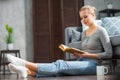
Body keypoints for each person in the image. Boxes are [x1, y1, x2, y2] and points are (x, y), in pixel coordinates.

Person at [7, 5, 112, 78]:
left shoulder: (101, 31)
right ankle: (27, 72)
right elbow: (85, 52)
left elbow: (109, 54)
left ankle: (24, 63)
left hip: (94, 66)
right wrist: (78, 54)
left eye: (86, 17)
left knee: (61, 65)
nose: (83, 20)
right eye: (81, 18)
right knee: (60, 72)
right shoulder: (84, 33)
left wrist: (87, 55)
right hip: (82, 62)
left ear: (93, 15)